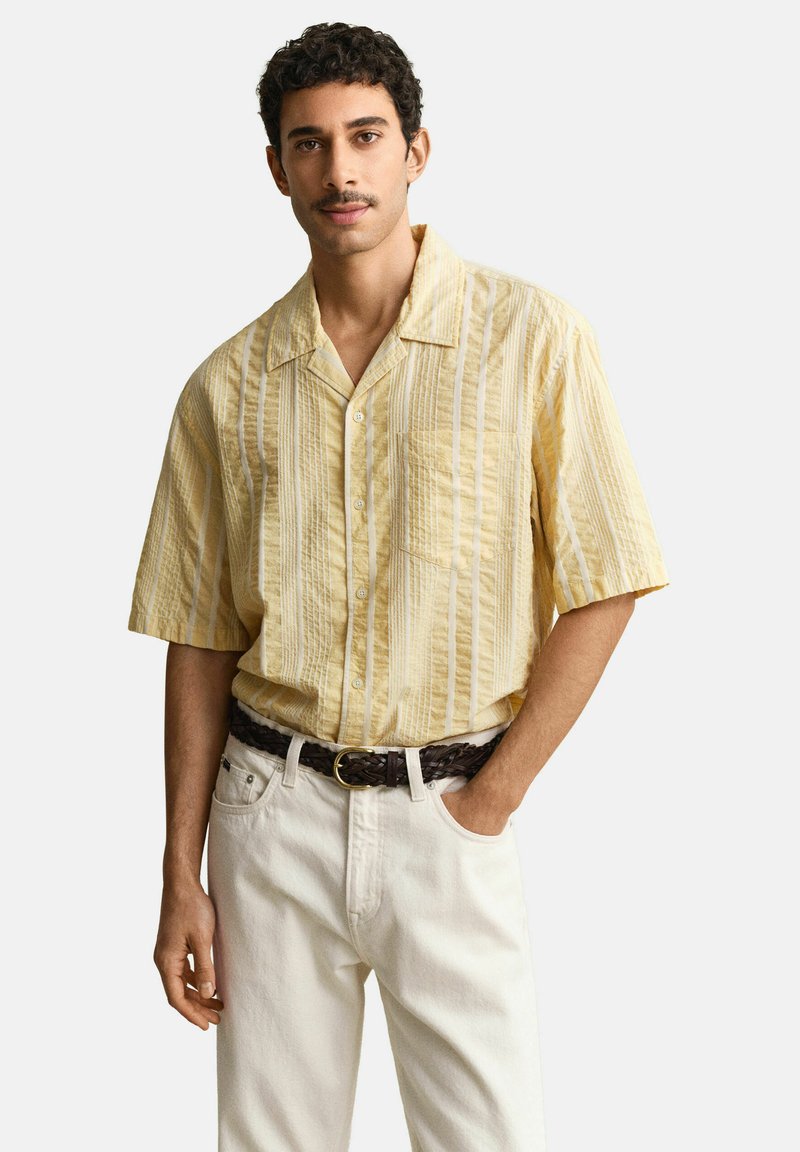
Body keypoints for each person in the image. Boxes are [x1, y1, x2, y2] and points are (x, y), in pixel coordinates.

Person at [128, 20, 669, 1152]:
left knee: (488, 1139)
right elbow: (198, 636)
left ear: (417, 151)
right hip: (269, 816)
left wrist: (491, 799)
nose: (341, 169)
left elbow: (608, 581)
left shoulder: (532, 340)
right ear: (276, 168)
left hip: (450, 812)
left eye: (366, 136)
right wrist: (182, 870)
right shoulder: (226, 387)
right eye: (310, 143)